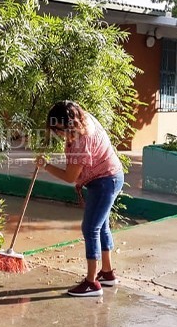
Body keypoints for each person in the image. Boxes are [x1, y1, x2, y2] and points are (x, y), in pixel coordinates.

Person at [36, 100, 124, 297]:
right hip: (110, 176)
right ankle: (107, 274)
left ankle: (92, 283)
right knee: (101, 226)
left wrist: (46, 165)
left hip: (105, 181)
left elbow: (70, 177)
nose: (57, 134)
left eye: (58, 129)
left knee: (90, 228)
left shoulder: (79, 143)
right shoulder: (83, 119)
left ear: (69, 124)